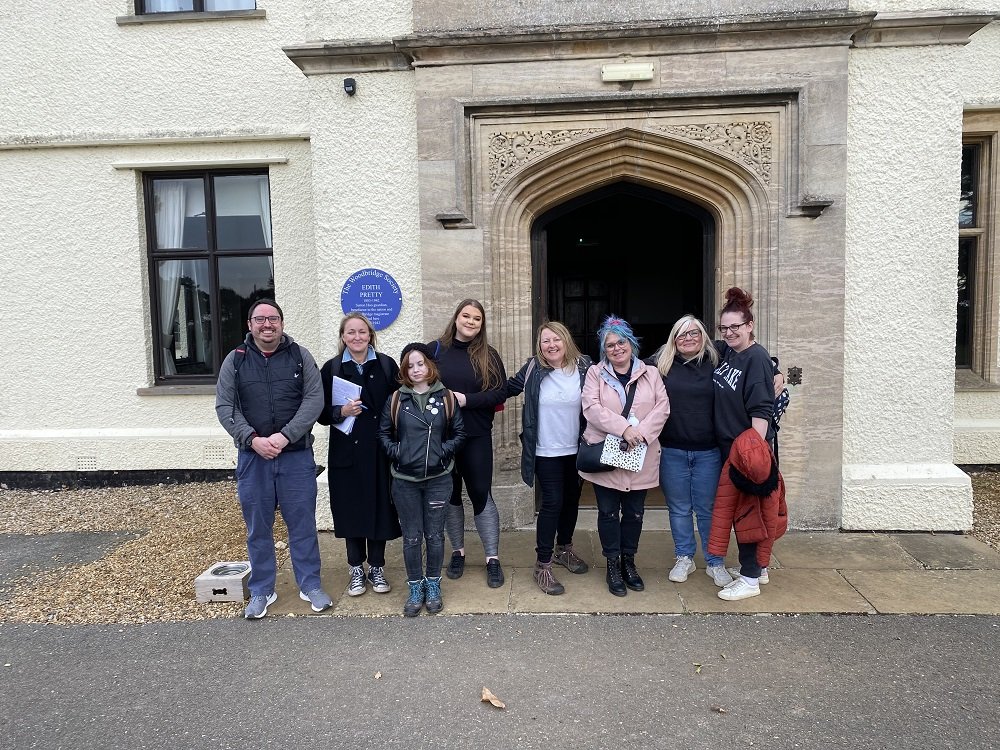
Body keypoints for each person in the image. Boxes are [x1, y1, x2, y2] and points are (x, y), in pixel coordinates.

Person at [215, 299, 332, 619]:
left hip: (295, 457)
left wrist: (285, 436)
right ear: (250, 325)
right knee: (258, 528)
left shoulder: (299, 356)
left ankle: (310, 585)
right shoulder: (235, 361)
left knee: (303, 525)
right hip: (254, 459)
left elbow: (314, 400)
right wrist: (252, 440)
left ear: (282, 323)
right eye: (260, 319)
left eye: (273, 319)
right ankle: (263, 589)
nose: (267, 325)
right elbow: (226, 408)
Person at [579, 316, 669, 597]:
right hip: (608, 455)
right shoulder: (595, 373)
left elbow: (662, 408)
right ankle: (612, 565)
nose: (617, 348)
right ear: (603, 350)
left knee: (634, 513)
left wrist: (640, 433)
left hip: (639, 456)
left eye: (621, 342)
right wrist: (625, 429)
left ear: (631, 343)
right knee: (607, 513)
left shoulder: (651, 373)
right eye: (610, 345)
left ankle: (629, 562)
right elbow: (591, 408)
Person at [378, 343, 466, 616]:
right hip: (404, 480)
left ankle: (433, 584)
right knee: (413, 537)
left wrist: (442, 452)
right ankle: (415, 587)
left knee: (435, 536)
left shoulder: (446, 397)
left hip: (439, 478)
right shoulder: (396, 400)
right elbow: (383, 434)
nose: (416, 370)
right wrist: (399, 453)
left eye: (421, 364)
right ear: (405, 370)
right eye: (410, 365)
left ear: (430, 366)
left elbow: (459, 433)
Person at [317, 312, 401, 598]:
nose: (356, 337)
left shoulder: (388, 365)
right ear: (343, 337)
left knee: (379, 507)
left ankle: (376, 567)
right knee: (350, 509)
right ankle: (355, 568)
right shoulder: (331, 369)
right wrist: (341, 411)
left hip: (379, 451)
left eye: (362, 332)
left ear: (370, 335)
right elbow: (318, 413)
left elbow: (400, 406)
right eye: (350, 332)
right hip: (346, 452)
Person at [506, 321, 592, 595]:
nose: (551, 345)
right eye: (545, 341)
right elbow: (503, 389)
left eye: (556, 339)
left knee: (571, 501)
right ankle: (542, 564)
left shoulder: (585, 367)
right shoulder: (533, 368)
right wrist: (466, 400)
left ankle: (563, 549)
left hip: (576, 449)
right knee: (552, 503)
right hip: (545, 451)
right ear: (539, 346)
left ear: (566, 340)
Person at [650, 315, 735, 588]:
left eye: (694, 333)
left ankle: (714, 561)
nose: (688, 338)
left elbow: (751, 355)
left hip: (708, 450)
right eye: (682, 334)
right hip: (672, 449)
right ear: (674, 339)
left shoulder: (718, 359)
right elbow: (625, 368)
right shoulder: (660, 364)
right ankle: (684, 557)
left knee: (708, 509)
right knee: (679, 508)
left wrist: (775, 368)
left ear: (703, 336)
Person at [429, 299, 508, 588]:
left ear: (481, 324)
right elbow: (416, 379)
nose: (471, 322)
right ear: (457, 317)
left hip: (476, 434)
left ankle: (492, 558)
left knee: (480, 492)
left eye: (477, 318)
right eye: (466, 316)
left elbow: (499, 393)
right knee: (450, 494)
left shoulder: (489, 355)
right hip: (443, 436)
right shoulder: (436, 350)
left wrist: (467, 400)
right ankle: (458, 552)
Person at [711, 286, 780, 601]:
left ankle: (750, 578)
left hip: (747, 452)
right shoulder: (731, 352)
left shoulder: (755, 358)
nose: (728, 333)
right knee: (745, 511)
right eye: (724, 328)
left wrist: (753, 456)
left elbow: (761, 410)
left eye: (735, 327)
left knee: (749, 513)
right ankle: (758, 568)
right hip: (731, 448)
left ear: (750, 325)